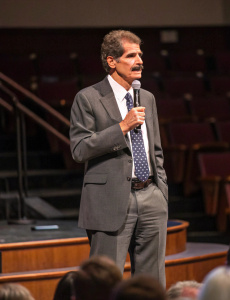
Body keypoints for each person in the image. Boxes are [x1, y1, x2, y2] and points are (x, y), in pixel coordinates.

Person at [69, 29, 168, 287]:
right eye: (131, 55)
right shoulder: (88, 98)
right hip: (109, 200)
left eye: (141, 55)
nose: (140, 61)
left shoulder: (147, 98)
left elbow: (155, 150)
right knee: (104, 284)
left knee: (151, 284)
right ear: (111, 61)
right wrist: (122, 127)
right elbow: (79, 149)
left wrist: (161, 192)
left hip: (150, 196)